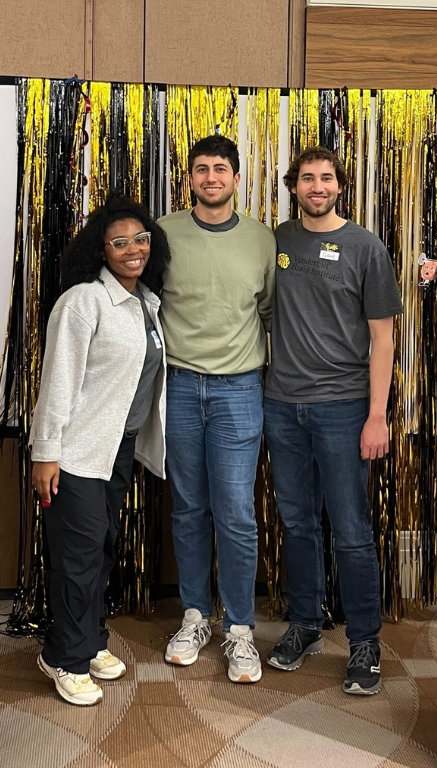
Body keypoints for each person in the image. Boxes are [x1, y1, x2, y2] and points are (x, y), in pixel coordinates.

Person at [263, 146, 401, 696]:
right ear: (292, 186)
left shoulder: (366, 248)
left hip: (345, 409)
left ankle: (365, 642)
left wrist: (376, 415)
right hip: (281, 406)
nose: (316, 186)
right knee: (296, 523)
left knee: (350, 530)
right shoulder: (276, 242)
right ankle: (305, 625)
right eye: (306, 178)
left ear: (339, 186)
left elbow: (384, 338)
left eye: (325, 178)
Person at [29, 194, 170, 706]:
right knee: (78, 558)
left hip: (118, 451)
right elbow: (58, 382)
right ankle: (65, 659)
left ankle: (86, 643)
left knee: (100, 552)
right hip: (75, 453)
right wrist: (45, 453)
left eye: (140, 239)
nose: (132, 249)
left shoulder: (147, 303)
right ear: (101, 251)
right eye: (119, 243)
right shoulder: (84, 301)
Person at [157, 135, 275, 683]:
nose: (211, 177)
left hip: (239, 390)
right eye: (201, 169)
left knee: (236, 513)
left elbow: (270, 310)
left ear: (236, 177)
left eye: (220, 169)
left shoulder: (261, 240)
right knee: (187, 508)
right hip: (179, 386)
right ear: (190, 178)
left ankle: (240, 630)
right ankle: (195, 615)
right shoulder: (163, 233)